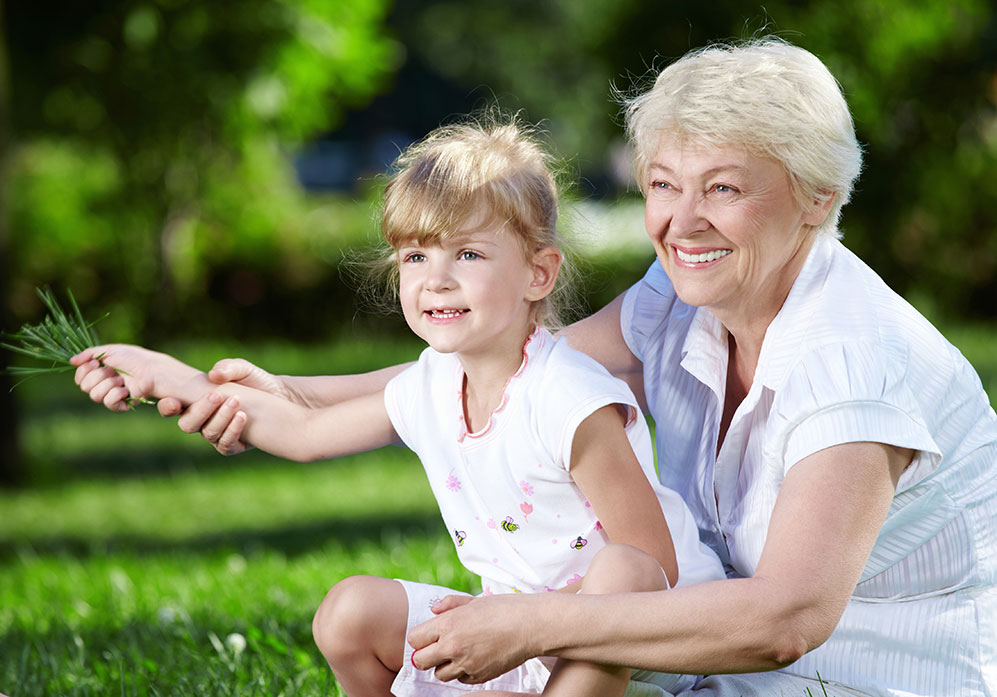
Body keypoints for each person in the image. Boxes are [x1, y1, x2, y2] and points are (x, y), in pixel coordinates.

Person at [77, 38, 997, 696]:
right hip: (702, 668)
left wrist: (530, 623)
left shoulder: (853, 362)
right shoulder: (679, 298)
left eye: (723, 186)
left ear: (814, 197)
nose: (681, 221)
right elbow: (490, 368)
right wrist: (236, 387)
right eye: (662, 186)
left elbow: (786, 620)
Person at [72, 119, 726, 697]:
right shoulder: (434, 381)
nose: (435, 277)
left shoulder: (570, 399)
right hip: (512, 633)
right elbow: (303, 429)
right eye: (416, 255)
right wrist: (171, 378)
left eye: (467, 253)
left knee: (619, 565)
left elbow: (649, 570)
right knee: (348, 610)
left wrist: (541, 631)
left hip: (631, 654)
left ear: (537, 273)